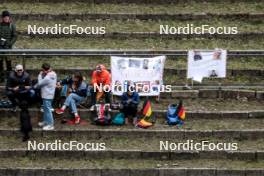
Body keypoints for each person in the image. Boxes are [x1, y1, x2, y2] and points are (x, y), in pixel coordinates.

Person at [34, 63, 57, 131]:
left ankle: (50, 125)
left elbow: (40, 84)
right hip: (49, 94)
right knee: (46, 109)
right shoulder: (53, 74)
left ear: (44, 69)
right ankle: (46, 121)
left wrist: (40, 75)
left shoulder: (47, 77)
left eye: (42, 70)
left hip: (47, 95)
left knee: (48, 111)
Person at [0, 10, 17, 82]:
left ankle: (10, 79)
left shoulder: (12, 25)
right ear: (2, 18)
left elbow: (15, 36)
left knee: (9, 63)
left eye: (7, 17)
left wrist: (10, 43)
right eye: (5, 17)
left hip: (8, 48)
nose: (6, 18)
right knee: (0, 64)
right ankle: (1, 78)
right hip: (0, 47)